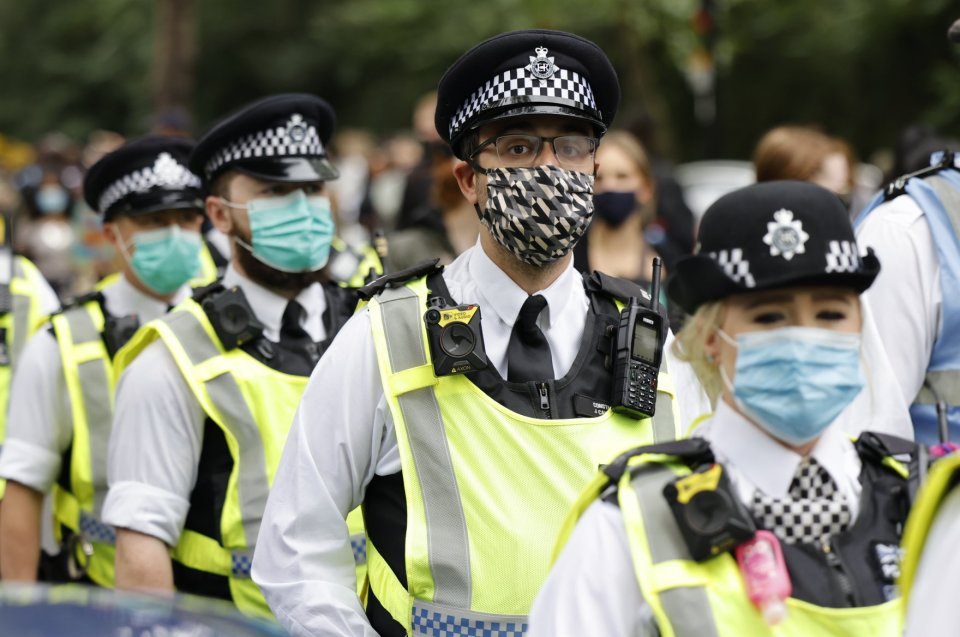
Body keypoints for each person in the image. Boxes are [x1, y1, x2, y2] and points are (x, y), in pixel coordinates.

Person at [252, 29, 681, 637]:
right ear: (467, 179)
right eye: (518, 149)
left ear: (595, 169)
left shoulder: (657, 347)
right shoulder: (385, 336)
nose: (549, 170)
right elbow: (297, 546)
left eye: (570, 148)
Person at [528, 180, 924, 637]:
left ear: (860, 327)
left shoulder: (918, 501)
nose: (804, 338)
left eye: (831, 314)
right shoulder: (629, 524)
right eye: (769, 317)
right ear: (712, 338)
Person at [101, 94, 365, 618]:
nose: (304, 208)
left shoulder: (372, 325)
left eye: (312, 188)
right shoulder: (172, 358)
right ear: (219, 215)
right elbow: (140, 551)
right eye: (274, 191)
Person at [0, 135, 206, 586]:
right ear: (112, 233)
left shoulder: (223, 326)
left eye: (188, 218)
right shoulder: (61, 340)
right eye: (154, 220)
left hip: (216, 598)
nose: (175, 234)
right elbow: (23, 485)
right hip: (97, 590)